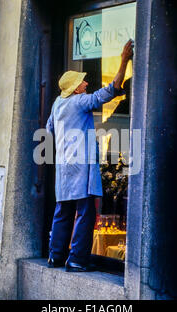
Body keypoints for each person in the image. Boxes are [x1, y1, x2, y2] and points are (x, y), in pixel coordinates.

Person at [45, 40, 134, 272]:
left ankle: (55, 257)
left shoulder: (57, 103)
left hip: (64, 166)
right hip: (80, 165)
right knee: (86, 212)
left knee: (63, 210)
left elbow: (49, 129)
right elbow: (110, 91)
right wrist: (124, 60)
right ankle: (76, 259)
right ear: (75, 88)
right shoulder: (79, 101)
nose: (86, 82)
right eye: (82, 81)